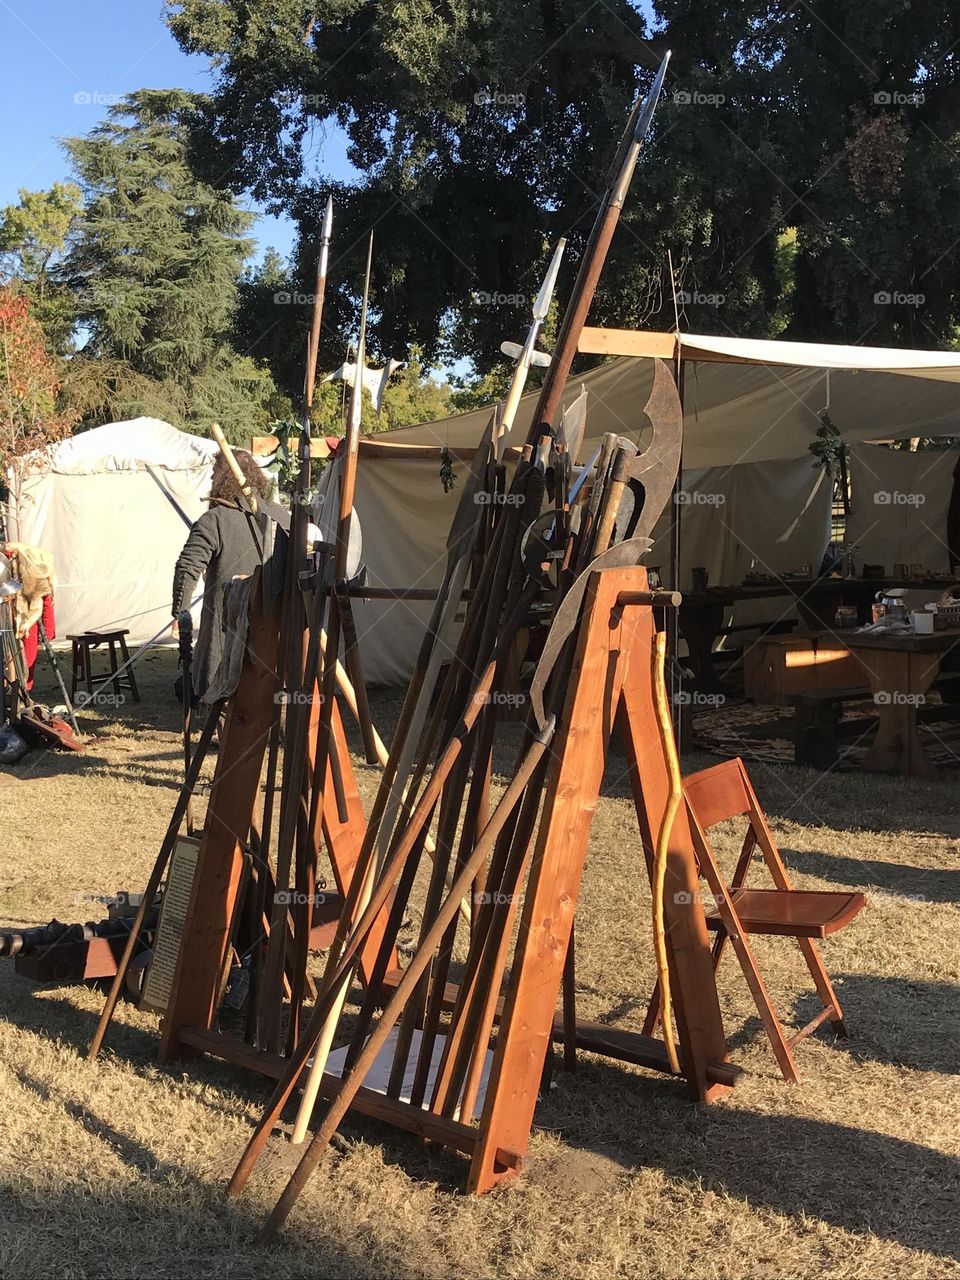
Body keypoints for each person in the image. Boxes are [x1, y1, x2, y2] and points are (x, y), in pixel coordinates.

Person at [171, 449, 267, 701]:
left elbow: (187, 567)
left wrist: (180, 613)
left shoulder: (215, 520)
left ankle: (224, 729)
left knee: (224, 693)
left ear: (224, 479)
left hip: (232, 629)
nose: (211, 482)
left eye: (214, 475)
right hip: (269, 632)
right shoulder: (283, 517)